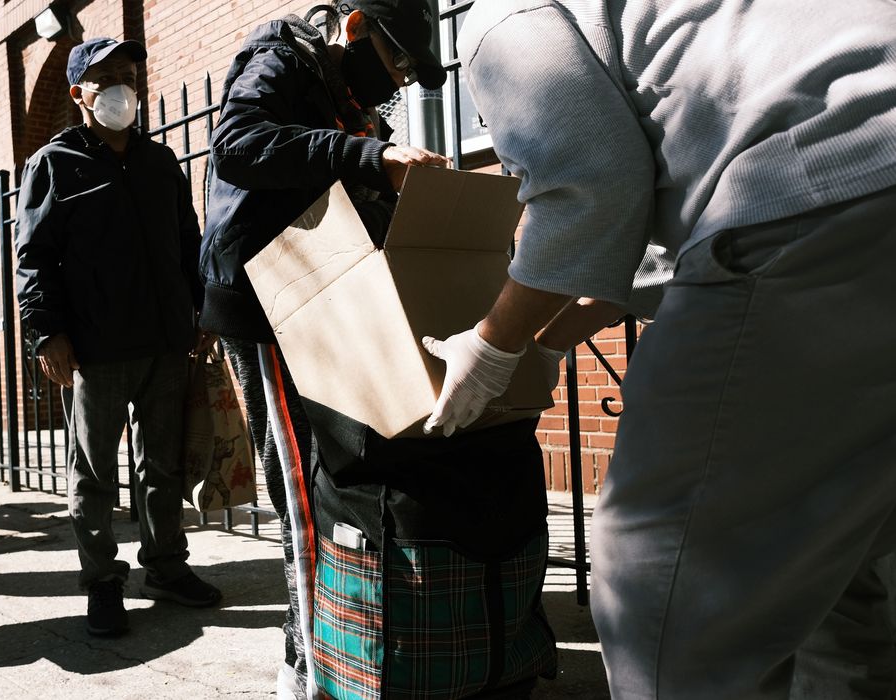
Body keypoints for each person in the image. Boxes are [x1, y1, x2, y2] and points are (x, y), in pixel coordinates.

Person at [450, 2, 896, 697]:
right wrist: (559, 320)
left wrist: (491, 344)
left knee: (664, 592)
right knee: (833, 561)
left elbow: (588, 189)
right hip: (855, 182)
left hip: (823, 197)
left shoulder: (504, 16)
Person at [203, 2, 562, 697]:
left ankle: (329, 640)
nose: (395, 77)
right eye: (394, 58)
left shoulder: (347, 100)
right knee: (305, 493)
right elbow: (237, 146)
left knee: (335, 483)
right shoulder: (280, 57)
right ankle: (306, 665)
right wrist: (372, 156)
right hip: (271, 301)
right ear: (356, 24)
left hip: (333, 301)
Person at [15, 37, 220, 638]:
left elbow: (190, 245)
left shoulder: (160, 163)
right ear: (78, 94)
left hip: (165, 342)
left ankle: (164, 566)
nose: (121, 88)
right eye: (105, 79)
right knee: (94, 473)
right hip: (97, 349)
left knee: (163, 467)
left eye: (128, 75)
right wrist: (47, 332)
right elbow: (33, 257)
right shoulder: (54, 163)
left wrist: (201, 312)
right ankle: (103, 582)